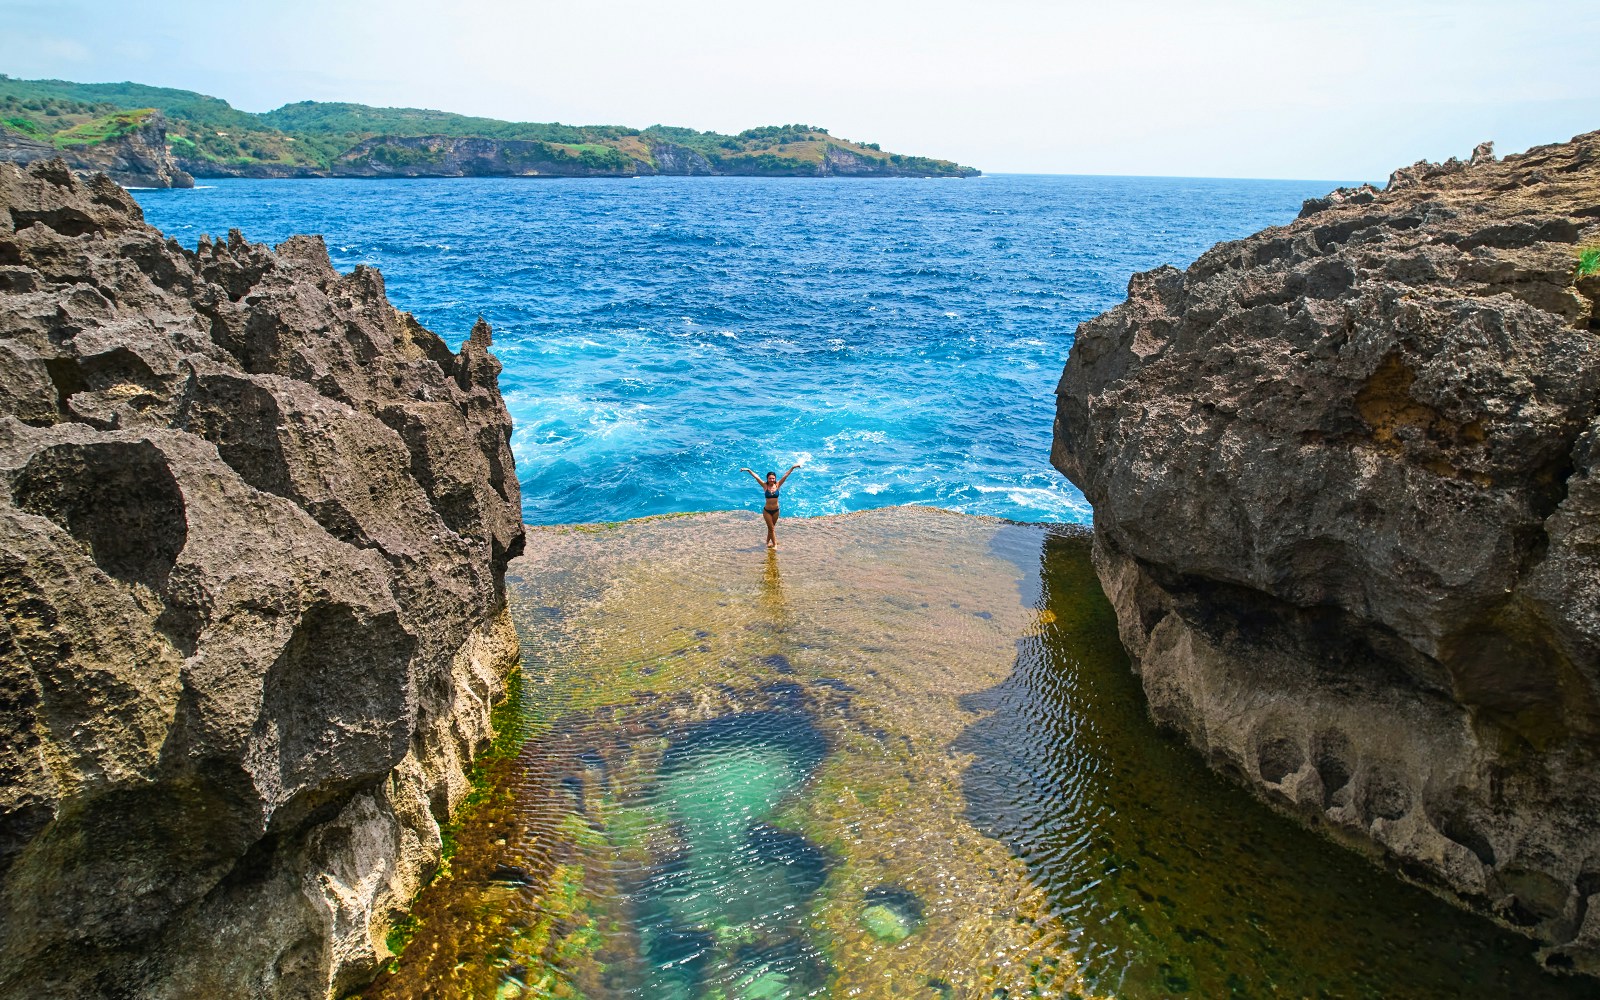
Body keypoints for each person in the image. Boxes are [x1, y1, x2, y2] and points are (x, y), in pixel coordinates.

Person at [741, 464, 801, 548]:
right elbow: (757, 477)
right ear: (767, 479)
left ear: (775, 478)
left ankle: (766, 543)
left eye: (773, 478)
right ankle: (775, 545)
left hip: (776, 511)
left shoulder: (777, 485)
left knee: (771, 528)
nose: (772, 480)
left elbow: (785, 475)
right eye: (770, 478)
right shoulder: (765, 486)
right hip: (767, 511)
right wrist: (748, 470)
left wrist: (793, 468)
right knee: (771, 528)